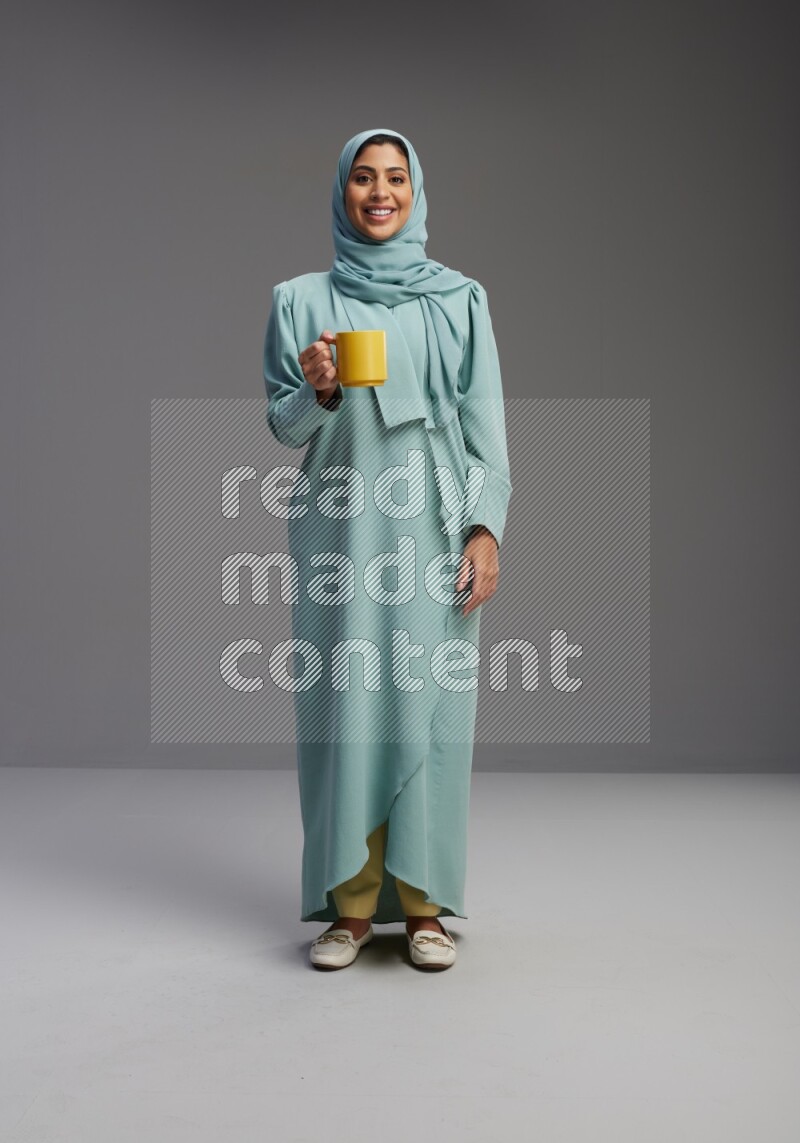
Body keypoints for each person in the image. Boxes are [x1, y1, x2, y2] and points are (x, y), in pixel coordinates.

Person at [262, 128, 512, 971]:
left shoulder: (460, 300)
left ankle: (426, 906)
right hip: (341, 532)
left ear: (415, 190)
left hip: (431, 530)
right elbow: (282, 424)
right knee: (347, 715)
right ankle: (350, 907)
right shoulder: (299, 300)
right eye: (364, 178)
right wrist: (320, 388)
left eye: (395, 178)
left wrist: (485, 529)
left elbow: (486, 432)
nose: (380, 192)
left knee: (433, 714)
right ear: (342, 192)